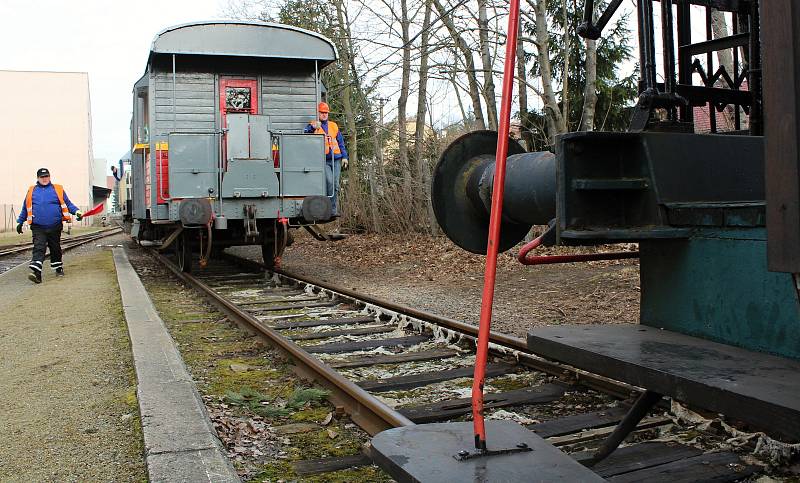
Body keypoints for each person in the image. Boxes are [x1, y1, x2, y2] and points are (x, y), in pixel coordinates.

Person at [16, 168, 83, 284]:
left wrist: (77, 211)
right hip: (38, 226)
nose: (45, 179)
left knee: (55, 247)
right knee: (39, 247)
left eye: (46, 176)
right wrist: (20, 221)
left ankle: (58, 268)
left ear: (50, 177)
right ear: (38, 178)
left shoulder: (58, 189)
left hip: (55, 225)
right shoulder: (31, 191)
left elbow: (68, 203)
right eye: (42, 177)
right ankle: (36, 274)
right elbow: (25, 207)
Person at [305, 102, 348, 217]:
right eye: (322, 113)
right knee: (329, 182)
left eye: (326, 113)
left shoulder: (334, 126)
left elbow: (340, 142)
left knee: (336, 185)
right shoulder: (314, 125)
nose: (324, 115)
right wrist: (312, 128)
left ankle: (333, 210)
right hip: (323, 160)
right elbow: (305, 133)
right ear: (318, 113)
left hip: (336, 159)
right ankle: (327, 208)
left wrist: (344, 157)